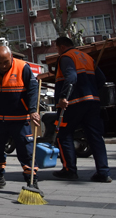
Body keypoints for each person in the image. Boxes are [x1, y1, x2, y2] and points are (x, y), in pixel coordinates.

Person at [0, 45, 40, 190]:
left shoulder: (23, 67)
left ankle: (32, 181)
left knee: (26, 151)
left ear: (11, 57)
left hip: (20, 119)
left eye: (6, 62)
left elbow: (32, 89)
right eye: (0, 63)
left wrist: (33, 110)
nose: (4, 66)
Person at [52, 37, 112, 183]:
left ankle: (69, 170)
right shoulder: (87, 57)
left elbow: (71, 77)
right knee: (95, 137)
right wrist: (90, 90)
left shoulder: (65, 57)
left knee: (63, 134)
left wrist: (63, 97)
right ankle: (103, 172)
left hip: (73, 103)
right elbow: (101, 78)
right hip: (92, 102)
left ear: (61, 47)